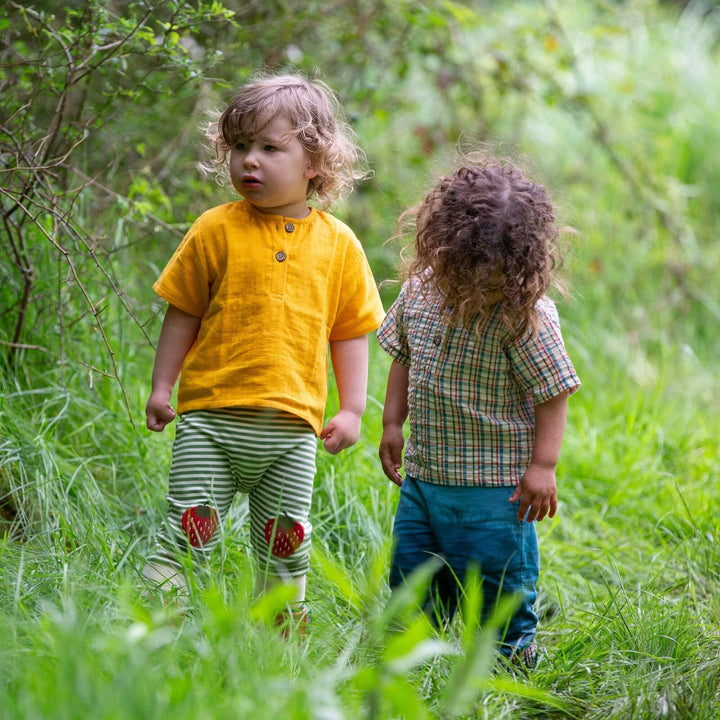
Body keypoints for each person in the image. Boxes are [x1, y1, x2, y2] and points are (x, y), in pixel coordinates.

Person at [142, 73, 385, 631]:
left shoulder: (339, 245)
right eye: (240, 147)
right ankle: (155, 631)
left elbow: (349, 331)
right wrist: (161, 387)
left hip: (292, 433)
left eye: (271, 148)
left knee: (286, 545)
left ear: (315, 161)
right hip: (210, 421)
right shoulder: (214, 230)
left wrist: (351, 409)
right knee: (188, 530)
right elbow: (183, 311)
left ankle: (278, 649)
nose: (250, 161)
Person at [377, 155, 580, 667]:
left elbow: (552, 392)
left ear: (520, 266)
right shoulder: (420, 290)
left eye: (494, 277)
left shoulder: (523, 316)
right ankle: (417, 647)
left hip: (496, 487)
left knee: (499, 574)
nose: (479, 288)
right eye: (466, 273)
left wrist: (543, 467)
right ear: (442, 252)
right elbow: (402, 357)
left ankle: (513, 653)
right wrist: (391, 423)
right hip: (424, 477)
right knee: (413, 569)